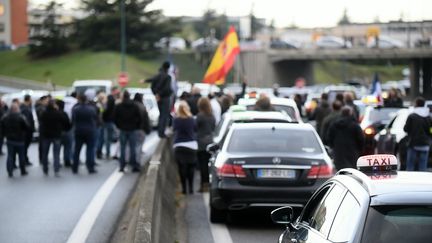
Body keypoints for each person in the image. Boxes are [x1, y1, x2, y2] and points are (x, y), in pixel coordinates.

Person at [113, 91, 142, 172]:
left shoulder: (119, 106)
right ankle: (134, 165)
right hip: (132, 129)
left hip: (123, 129)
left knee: (123, 148)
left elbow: (115, 118)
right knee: (133, 148)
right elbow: (139, 117)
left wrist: (119, 126)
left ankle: (122, 166)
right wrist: (136, 126)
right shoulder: (134, 106)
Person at [40, 100, 71, 176]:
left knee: (45, 153)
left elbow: (41, 123)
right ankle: (56, 169)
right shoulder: (58, 113)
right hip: (56, 135)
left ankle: (45, 168)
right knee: (56, 153)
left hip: (46, 135)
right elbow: (66, 122)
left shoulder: (44, 113)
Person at [173, 101, 197, 194]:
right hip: (191, 145)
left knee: (181, 168)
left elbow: (174, 129)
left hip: (179, 145)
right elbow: (195, 129)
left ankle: (184, 189)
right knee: (191, 168)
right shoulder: (191, 119)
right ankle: (191, 188)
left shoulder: (176, 119)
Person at [143, 61, 173, 138]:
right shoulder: (168, 77)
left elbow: (152, 82)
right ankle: (161, 132)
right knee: (164, 115)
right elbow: (167, 88)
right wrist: (161, 94)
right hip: (165, 98)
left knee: (161, 115)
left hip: (158, 98)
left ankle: (160, 132)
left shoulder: (158, 75)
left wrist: (156, 94)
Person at [0, 103, 30, 177]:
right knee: (21, 156)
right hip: (20, 139)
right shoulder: (21, 117)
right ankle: (22, 170)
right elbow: (27, 127)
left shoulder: (5, 117)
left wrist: (5, 135)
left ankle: (10, 171)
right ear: (16, 109)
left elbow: (2, 127)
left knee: (10, 156)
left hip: (10, 139)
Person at [71, 94, 98, 174]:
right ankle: (90, 167)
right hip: (90, 130)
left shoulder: (75, 109)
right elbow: (95, 118)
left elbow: (73, 120)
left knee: (77, 150)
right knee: (90, 150)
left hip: (79, 130)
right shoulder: (91, 109)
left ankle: (75, 167)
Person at [404, 97, 432, 171]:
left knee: (410, 165)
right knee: (423, 166)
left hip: (413, 144)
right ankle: (421, 181)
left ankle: (410, 181)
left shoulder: (412, 116)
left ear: (416, 104)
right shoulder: (428, 116)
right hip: (425, 144)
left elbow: (406, 129)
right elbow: (430, 130)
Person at [196, 97, 215, 192]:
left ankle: (204, 185)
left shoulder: (200, 116)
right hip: (210, 142)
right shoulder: (212, 116)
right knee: (209, 165)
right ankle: (210, 183)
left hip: (201, 143)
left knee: (202, 165)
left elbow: (195, 128)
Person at [133, 93, 151, 164]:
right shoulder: (142, 107)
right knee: (138, 146)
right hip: (140, 129)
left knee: (131, 146)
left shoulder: (132, 105)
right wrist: (148, 129)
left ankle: (129, 160)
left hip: (132, 129)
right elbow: (146, 120)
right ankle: (136, 162)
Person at [102, 87, 119, 159]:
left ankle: (107, 153)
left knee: (108, 137)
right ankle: (108, 153)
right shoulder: (111, 99)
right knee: (108, 138)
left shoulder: (110, 99)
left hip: (108, 120)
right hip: (109, 121)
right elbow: (107, 110)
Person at [20, 94, 35, 166]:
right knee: (24, 147)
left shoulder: (25, 107)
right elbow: (27, 121)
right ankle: (24, 161)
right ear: (28, 99)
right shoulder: (25, 109)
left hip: (26, 132)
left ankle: (24, 160)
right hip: (26, 132)